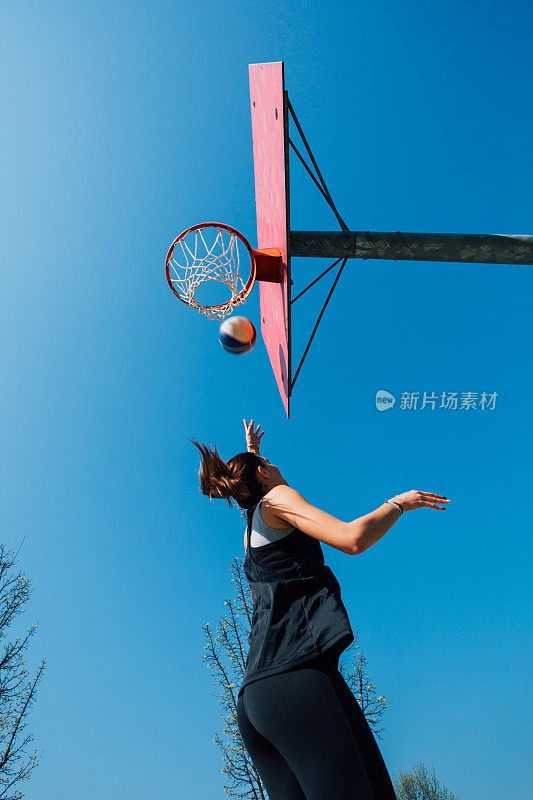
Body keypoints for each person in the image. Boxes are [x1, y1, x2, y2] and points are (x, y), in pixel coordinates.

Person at [191, 419, 450, 800]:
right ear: (263, 474)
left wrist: (252, 453)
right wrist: (397, 504)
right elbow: (352, 538)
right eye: (269, 467)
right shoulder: (277, 499)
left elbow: (254, 495)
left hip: (256, 701)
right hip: (294, 678)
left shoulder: (250, 533)